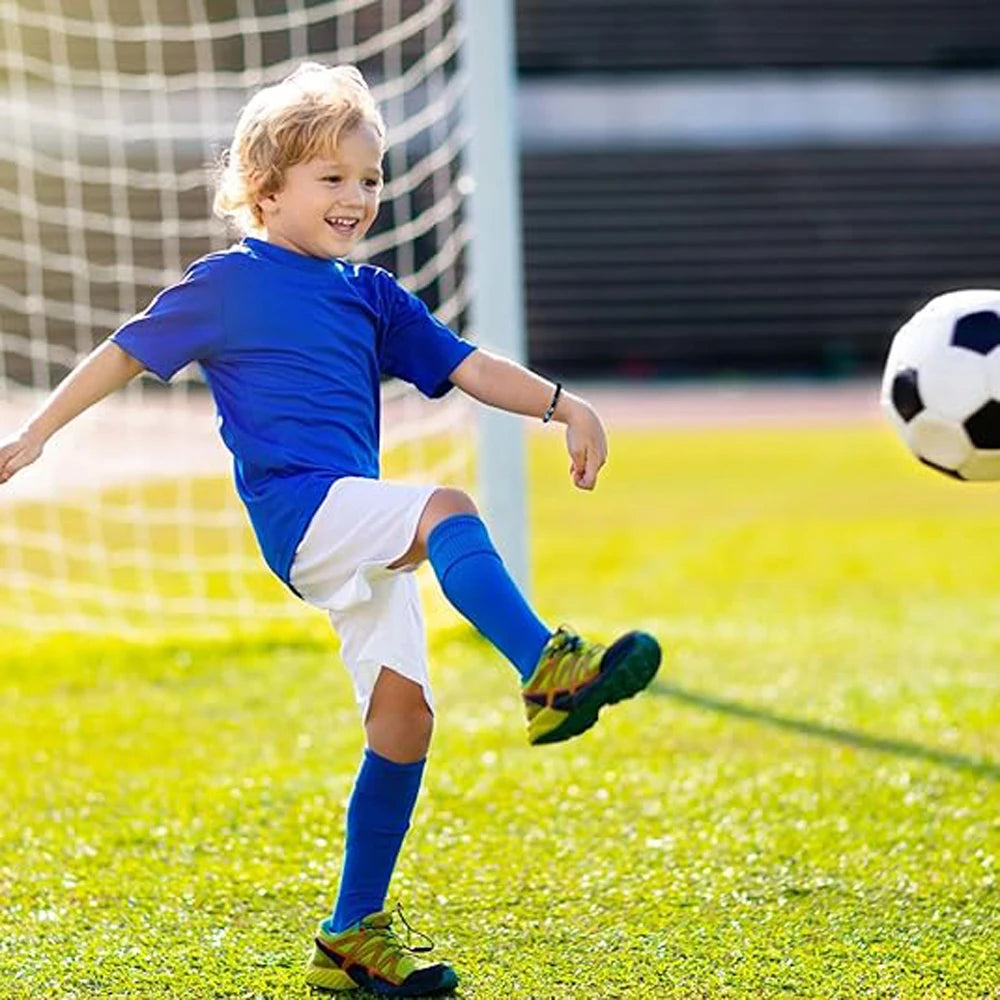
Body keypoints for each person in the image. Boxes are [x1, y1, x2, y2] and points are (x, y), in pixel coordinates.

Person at [0, 63, 661, 997]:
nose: (356, 198)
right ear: (266, 191)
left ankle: (351, 936)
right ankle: (549, 672)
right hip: (303, 512)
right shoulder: (228, 284)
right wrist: (34, 433)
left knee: (404, 720)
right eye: (331, 179)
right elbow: (122, 353)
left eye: (369, 180)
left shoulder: (373, 295)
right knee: (447, 510)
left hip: (353, 519)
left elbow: (467, 367)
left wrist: (563, 405)